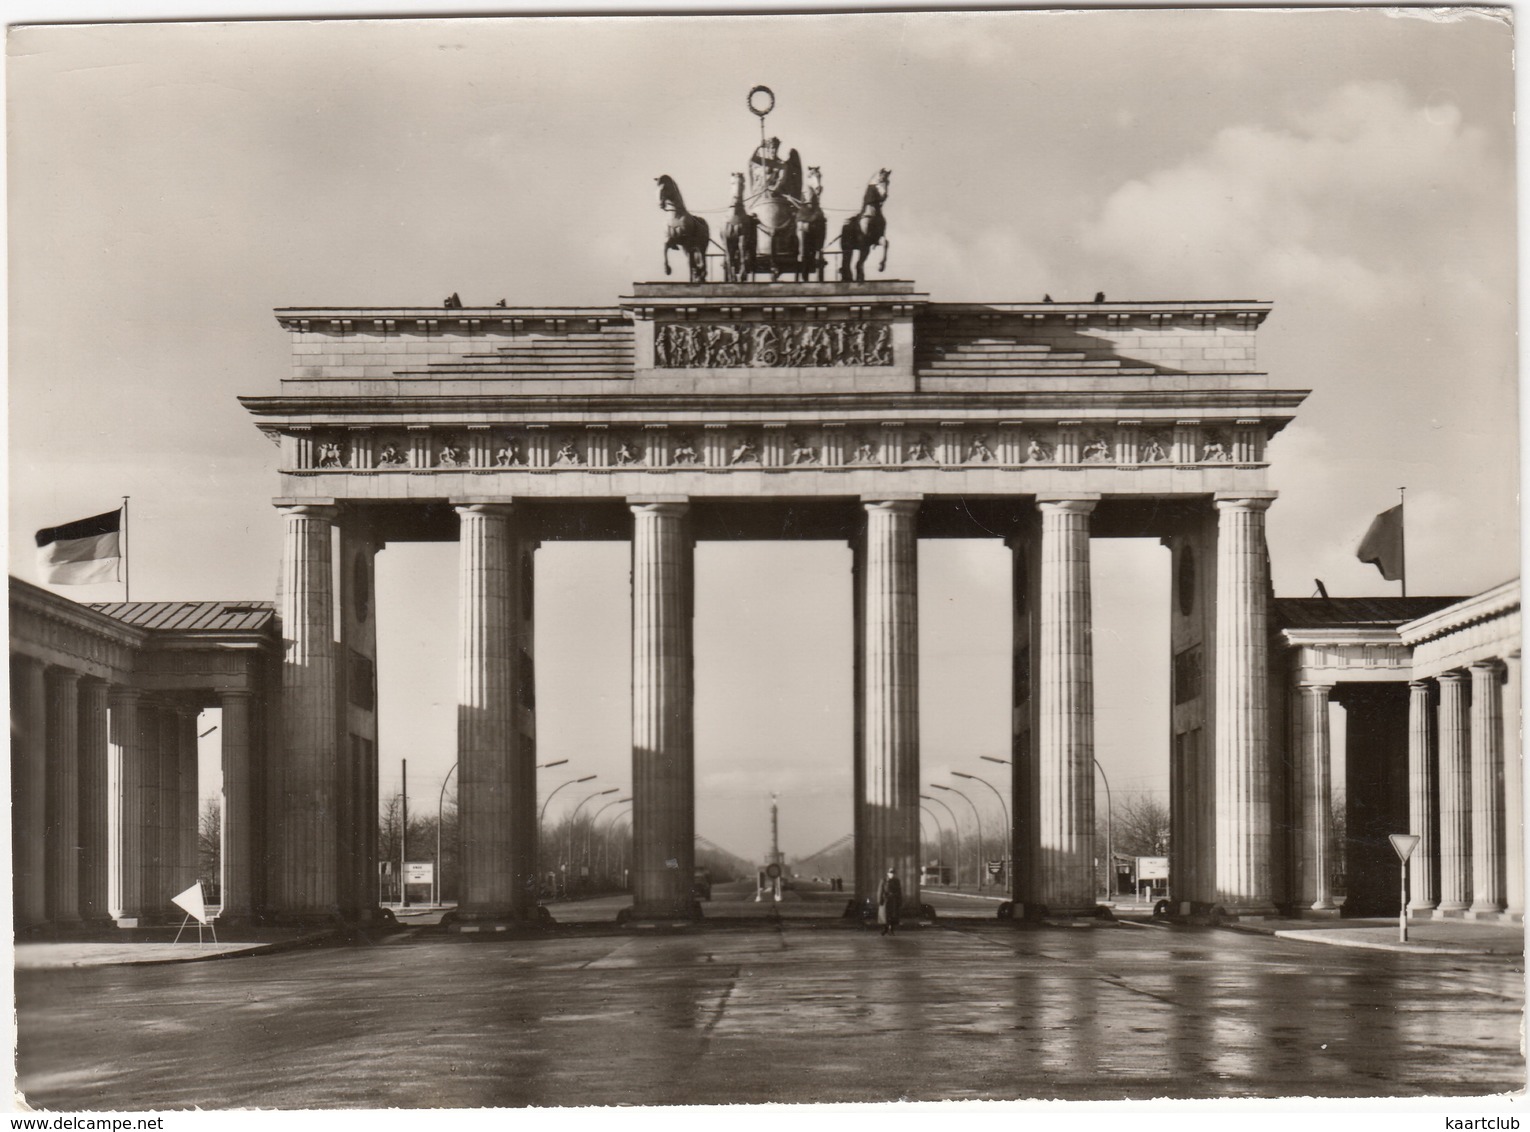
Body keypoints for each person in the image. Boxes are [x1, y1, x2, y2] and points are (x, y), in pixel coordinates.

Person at [877, 867, 903, 936]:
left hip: (893, 900)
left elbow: (899, 891)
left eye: (893, 873)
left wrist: (899, 900)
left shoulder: (897, 881)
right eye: (891, 873)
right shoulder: (884, 880)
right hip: (885, 900)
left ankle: (891, 930)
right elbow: (880, 891)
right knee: (884, 916)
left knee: (893, 916)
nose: (892, 875)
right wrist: (880, 900)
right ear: (887, 873)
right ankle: (885, 929)